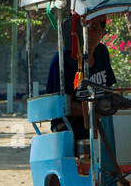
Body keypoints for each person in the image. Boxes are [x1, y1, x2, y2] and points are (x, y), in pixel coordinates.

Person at [46, 15, 116, 143]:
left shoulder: (102, 53)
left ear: (102, 32)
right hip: (69, 125)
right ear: (76, 32)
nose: (89, 34)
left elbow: (108, 90)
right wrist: (94, 113)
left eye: (95, 28)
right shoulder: (62, 60)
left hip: (99, 120)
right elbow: (62, 105)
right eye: (85, 28)